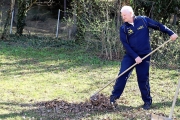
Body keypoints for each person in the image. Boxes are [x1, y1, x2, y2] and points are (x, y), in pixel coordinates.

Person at [110, 6, 178, 110]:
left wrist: (171, 33)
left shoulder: (143, 20)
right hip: (130, 56)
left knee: (143, 78)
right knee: (122, 75)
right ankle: (113, 98)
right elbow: (125, 45)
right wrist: (135, 56)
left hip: (144, 55)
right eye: (122, 15)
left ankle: (147, 101)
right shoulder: (123, 28)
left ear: (131, 13)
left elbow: (158, 26)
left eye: (124, 15)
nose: (123, 17)